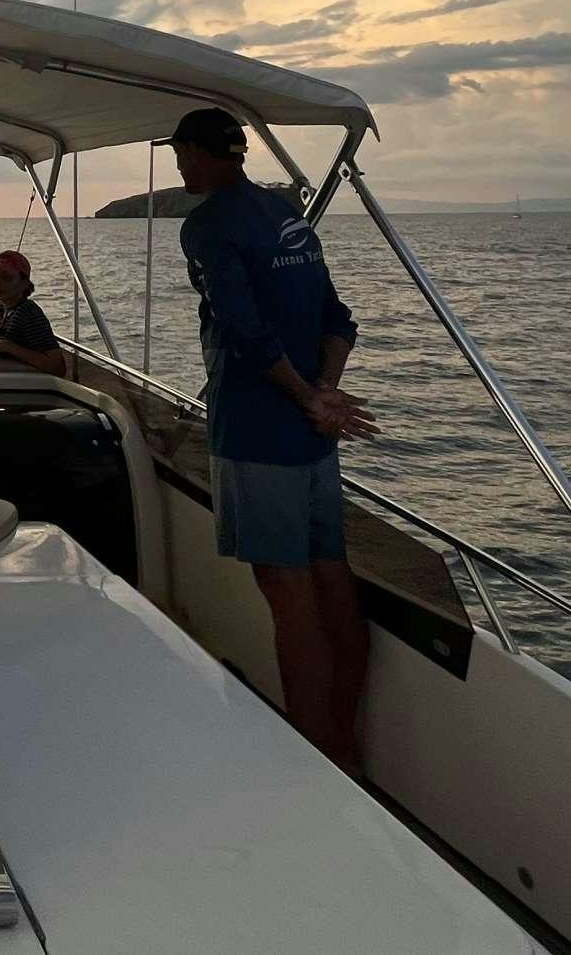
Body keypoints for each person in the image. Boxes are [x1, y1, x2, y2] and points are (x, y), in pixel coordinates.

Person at [164, 104, 378, 776]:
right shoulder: (287, 216)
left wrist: (310, 395)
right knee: (329, 579)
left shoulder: (208, 225)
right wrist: (323, 394)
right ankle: (344, 743)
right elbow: (338, 319)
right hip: (311, 438)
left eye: (181, 154)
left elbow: (247, 336)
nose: (178, 166)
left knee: (287, 594)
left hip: (259, 432)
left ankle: (317, 761)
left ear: (203, 153)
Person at [0, 249, 69, 376]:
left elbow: (57, 367)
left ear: (24, 283)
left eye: (6, 278)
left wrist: (5, 346)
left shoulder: (28, 313)